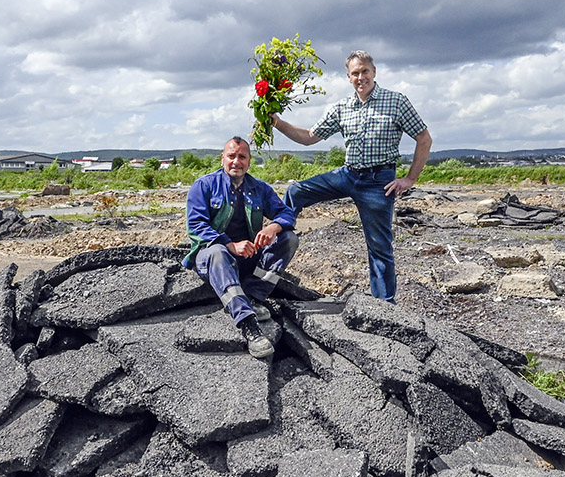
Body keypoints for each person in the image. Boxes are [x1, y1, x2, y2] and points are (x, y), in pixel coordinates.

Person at [271, 50, 431, 302]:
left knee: (379, 247)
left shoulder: (396, 101)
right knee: (295, 191)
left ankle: (384, 307)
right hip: (347, 175)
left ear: (374, 72)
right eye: (355, 73)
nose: (360, 77)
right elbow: (310, 137)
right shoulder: (342, 108)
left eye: (365, 71)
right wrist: (278, 123)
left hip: (379, 183)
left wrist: (410, 179)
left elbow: (423, 138)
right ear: (348, 77)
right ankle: (276, 248)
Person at [184, 136, 298, 358]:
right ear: (222, 159)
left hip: (247, 257)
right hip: (213, 257)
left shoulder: (259, 188)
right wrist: (230, 244)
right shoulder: (204, 186)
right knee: (218, 252)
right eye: (231, 156)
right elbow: (196, 225)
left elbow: (286, 213)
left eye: (242, 157)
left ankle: (254, 296)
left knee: (289, 239)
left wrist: (273, 227)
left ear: (249, 161)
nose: (236, 161)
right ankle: (248, 324)